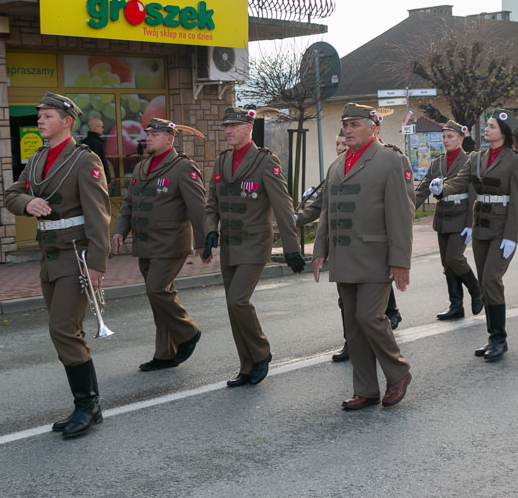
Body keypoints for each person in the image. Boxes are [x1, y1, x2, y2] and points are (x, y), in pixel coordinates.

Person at [4, 92, 111, 438]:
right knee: (65, 330)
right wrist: (28, 202)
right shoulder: (37, 160)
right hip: (49, 257)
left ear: (67, 121)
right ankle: (86, 404)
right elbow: (11, 194)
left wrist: (97, 263)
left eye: (47, 116)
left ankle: (89, 406)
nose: (40, 120)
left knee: (63, 329)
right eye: (39, 116)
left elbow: (99, 214)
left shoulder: (84, 160)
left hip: (76, 257)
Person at [312, 103, 414, 409]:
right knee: (353, 325)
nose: (347, 129)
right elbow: (327, 212)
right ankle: (366, 389)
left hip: (375, 255)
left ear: (374, 127)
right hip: (344, 257)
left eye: (355, 124)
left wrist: (400, 261)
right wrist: (320, 251)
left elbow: (402, 214)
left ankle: (398, 371)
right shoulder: (337, 165)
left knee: (370, 317)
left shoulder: (390, 160)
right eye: (345, 124)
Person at [202, 107, 306, 387]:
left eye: (234, 126)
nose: (228, 131)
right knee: (232, 306)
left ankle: (260, 353)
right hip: (229, 246)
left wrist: (291, 247)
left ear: (249, 128)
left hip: (254, 243)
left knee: (238, 300)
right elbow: (212, 203)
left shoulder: (263, 161)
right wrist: (210, 231)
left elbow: (283, 206)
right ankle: (246, 365)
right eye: (226, 126)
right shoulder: (221, 162)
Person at [111, 118, 207, 372]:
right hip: (145, 244)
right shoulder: (142, 167)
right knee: (158, 299)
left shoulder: (183, 167)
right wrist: (120, 231)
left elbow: (198, 207)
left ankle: (189, 332)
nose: (148, 138)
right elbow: (128, 204)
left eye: (155, 134)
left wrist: (204, 241)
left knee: (157, 291)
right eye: (148, 134)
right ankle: (165, 353)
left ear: (169, 139)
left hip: (171, 243)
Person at [436, 109, 518, 361]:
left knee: (490, 280)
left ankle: (500, 338)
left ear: (504, 132)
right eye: (486, 125)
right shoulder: (476, 157)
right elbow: (459, 181)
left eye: (492, 126)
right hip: (481, 228)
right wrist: (441, 188)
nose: (486, 129)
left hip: (502, 230)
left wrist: (511, 236)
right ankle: (492, 336)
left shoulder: (515, 160)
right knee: (487, 287)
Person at [414, 120, 482, 320]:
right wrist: (407, 212)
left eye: (450, 136)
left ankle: (475, 289)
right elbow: (422, 190)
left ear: (461, 139)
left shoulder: (468, 161)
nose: (446, 140)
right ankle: (456, 305)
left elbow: (473, 195)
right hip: (443, 217)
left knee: (455, 258)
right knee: (447, 263)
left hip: (461, 217)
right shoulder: (437, 163)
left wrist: (471, 224)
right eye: (444, 137)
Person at [296, 130, 351, 362]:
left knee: (369, 305)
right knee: (346, 299)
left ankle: (384, 326)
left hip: (366, 244)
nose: (339, 148)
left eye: (343, 144)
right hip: (342, 245)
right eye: (337, 144)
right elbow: (321, 206)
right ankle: (352, 342)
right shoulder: (335, 169)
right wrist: (296, 218)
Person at [371, 117, 403, 330]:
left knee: (381, 274)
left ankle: (389, 313)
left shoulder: (390, 157)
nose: (341, 146)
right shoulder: (344, 163)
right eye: (338, 143)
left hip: (381, 228)